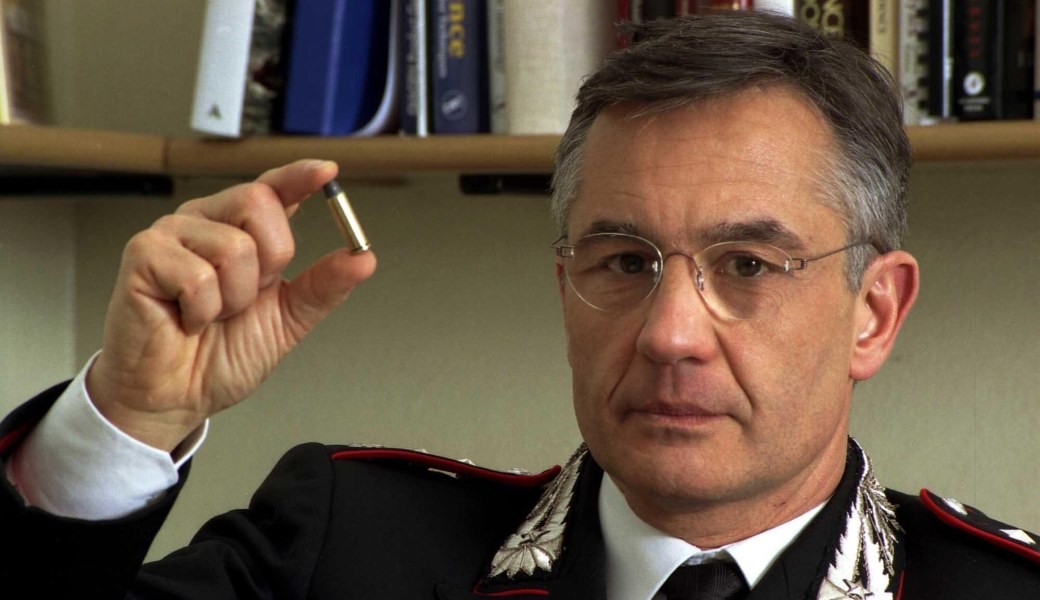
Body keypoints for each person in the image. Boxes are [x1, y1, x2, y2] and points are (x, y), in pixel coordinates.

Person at [2, 11, 1038, 599]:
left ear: (873, 312)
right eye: (623, 262)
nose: (670, 333)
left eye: (748, 267)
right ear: (565, 287)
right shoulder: (345, 550)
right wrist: (129, 417)